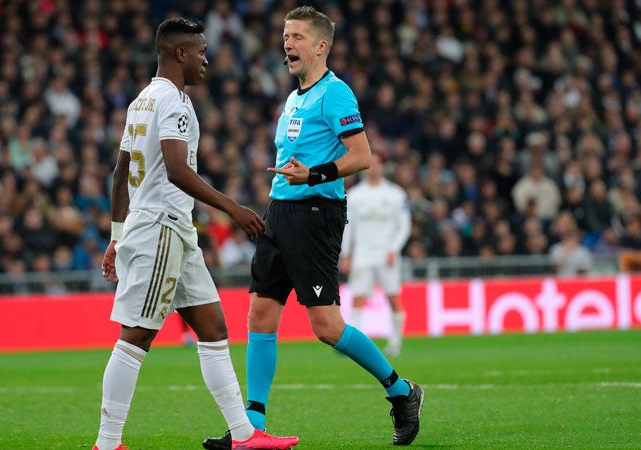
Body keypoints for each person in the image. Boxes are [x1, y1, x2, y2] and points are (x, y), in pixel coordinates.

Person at [204, 6, 423, 449]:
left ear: (321, 46)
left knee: (326, 327)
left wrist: (316, 175)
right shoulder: (294, 97)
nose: (288, 43)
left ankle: (402, 392)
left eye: (298, 36)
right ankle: (250, 427)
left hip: (317, 215)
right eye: (286, 35)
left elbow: (361, 156)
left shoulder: (335, 93)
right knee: (260, 315)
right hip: (280, 213)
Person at [92, 18, 299, 450]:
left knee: (213, 327)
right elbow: (176, 169)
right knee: (137, 335)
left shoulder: (141, 101)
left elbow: (120, 174)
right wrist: (233, 208)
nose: (207, 60)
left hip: (171, 229)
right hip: (161, 228)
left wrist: (116, 234)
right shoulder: (174, 102)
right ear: (179, 54)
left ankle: (243, 435)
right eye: (201, 51)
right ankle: (107, 443)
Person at [340, 152, 411, 356]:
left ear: (383, 167)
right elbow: (348, 227)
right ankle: (356, 347)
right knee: (358, 299)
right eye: (370, 164)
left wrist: (394, 249)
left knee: (393, 298)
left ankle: (395, 343)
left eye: (377, 164)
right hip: (362, 254)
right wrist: (346, 253)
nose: (373, 168)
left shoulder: (396, 194)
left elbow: (404, 226)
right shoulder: (354, 195)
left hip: (386, 254)